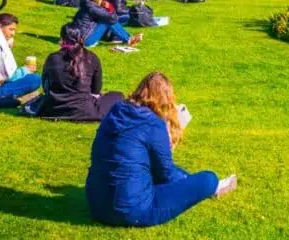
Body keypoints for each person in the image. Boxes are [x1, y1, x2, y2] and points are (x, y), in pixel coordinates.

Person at [86, 72, 237, 227]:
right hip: (131, 211)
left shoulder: (115, 111)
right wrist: (173, 136)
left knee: (148, 167)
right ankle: (214, 186)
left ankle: (205, 184)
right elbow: (166, 174)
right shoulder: (153, 124)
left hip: (96, 204)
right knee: (208, 178)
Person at [38, 24, 125, 122]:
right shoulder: (91, 57)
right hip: (84, 110)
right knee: (118, 96)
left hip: (54, 109)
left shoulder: (52, 58)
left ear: (62, 39)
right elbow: (95, 91)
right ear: (82, 38)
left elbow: (46, 87)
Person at [0, 14, 42, 108]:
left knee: (33, 79)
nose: (13, 34)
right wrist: (25, 70)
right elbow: (5, 75)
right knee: (35, 79)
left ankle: (10, 98)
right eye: (11, 29)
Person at [70, 0, 143, 48]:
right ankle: (128, 39)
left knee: (107, 20)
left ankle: (126, 38)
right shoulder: (93, 8)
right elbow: (113, 19)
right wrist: (110, 8)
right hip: (85, 40)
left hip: (79, 36)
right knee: (107, 21)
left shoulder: (87, 3)